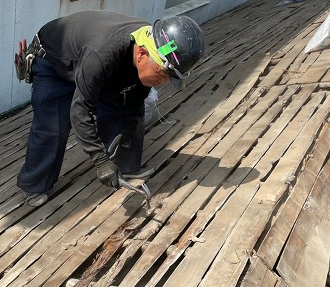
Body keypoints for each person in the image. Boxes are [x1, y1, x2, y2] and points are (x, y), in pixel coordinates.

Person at [14, 10, 205, 207]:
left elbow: (133, 103)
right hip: (54, 61)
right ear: (141, 54)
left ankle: (126, 166)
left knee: (126, 109)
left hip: (93, 62)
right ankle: (33, 185)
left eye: (170, 78)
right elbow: (80, 110)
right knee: (53, 126)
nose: (163, 82)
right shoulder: (104, 53)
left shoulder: (144, 46)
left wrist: (126, 135)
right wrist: (100, 160)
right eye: (163, 74)